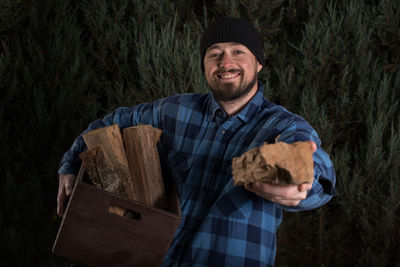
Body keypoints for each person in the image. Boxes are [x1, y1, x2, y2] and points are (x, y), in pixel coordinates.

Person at [57, 17, 336, 266]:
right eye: (215, 54)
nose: (226, 63)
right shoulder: (174, 111)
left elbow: (316, 169)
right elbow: (109, 123)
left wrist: (302, 184)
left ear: (259, 63)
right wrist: (70, 165)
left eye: (238, 52)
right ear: (204, 64)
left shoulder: (284, 125)